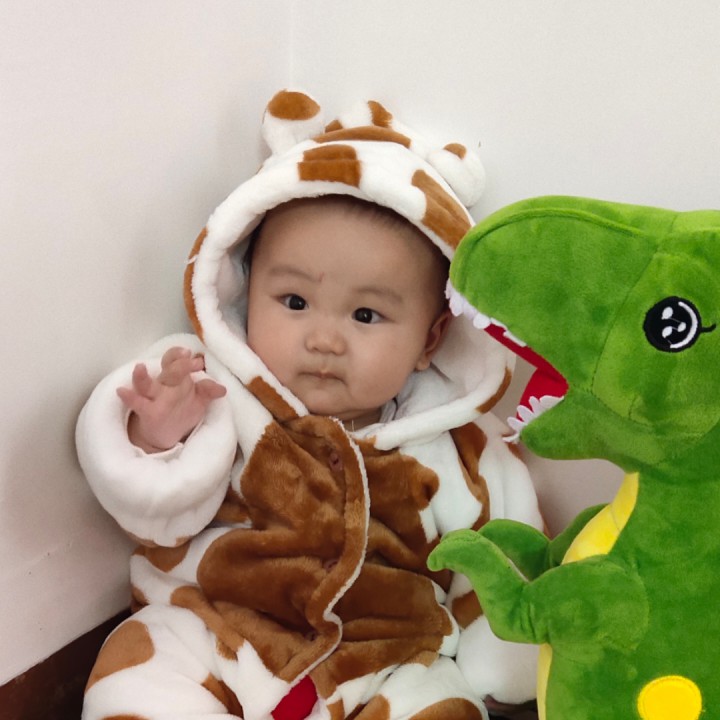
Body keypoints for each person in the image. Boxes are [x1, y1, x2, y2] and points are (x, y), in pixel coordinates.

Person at [76, 90, 543, 720]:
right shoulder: (220, 394)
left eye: (366, 315)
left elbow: (501, 555)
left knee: (442, 705)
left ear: (431, 339)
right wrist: (158, 437)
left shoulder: (461, 447)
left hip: (387, 658)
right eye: (294, 302)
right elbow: (158, 517)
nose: (324, 339)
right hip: (221, 628)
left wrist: (500, 664)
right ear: (246, 294)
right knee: (136, 676)